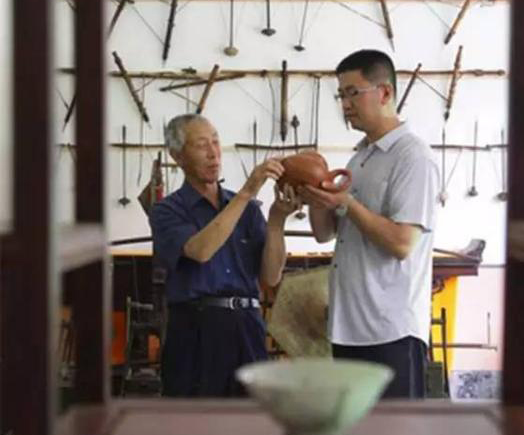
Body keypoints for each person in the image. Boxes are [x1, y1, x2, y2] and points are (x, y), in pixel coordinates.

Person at [299, 49, 440, 398]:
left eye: (353, 93)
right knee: (355, 428)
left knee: (394, 432)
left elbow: (402, 243)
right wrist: (314, 194)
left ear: (385, 92)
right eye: (341, 95)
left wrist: (346, 203)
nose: (345, 105)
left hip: (390, 330)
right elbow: (324, 234)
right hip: (348, 326)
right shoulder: (360, 158)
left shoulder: (412, 156)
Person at [150, 114, 297, 397]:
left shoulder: (249, 210)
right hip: (196, 330)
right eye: (201, 145)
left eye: (216, 142)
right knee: (198, 418)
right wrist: (248, 191)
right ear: (177, 156)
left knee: (252, 417)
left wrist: (277, 220)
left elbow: (271, 276)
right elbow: (201, 251)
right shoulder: (167, 210)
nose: (213, 153)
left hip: (248, 325)